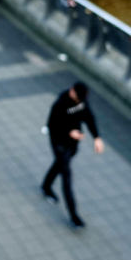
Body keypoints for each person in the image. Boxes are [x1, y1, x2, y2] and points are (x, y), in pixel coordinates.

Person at [40, 81, 104, 228]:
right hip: (60, 144)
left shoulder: (82, 101)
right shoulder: (60, 105)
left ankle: (45, 186)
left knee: (58, 165)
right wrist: (69, 132)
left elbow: (89, 117)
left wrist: (97, 137)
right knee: (67, 178)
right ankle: (74, 217)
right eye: (75, 95)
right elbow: (52, 125)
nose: (79, 99)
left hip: (73, 145)